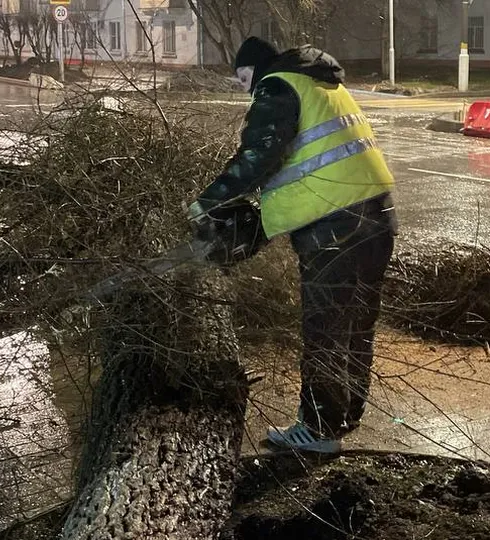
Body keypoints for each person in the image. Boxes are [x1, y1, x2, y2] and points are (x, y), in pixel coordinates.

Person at [188, 37, 397, 453]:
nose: (247, 87)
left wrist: (207, 203)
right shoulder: (321, 84)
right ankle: (342, 418)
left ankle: (319, 431)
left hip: (336, 224)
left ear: (258, 68)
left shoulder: (278, 85)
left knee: (325, 330)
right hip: (378, 214)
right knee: (355, 327)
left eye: (245, 77)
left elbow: (258, 155)